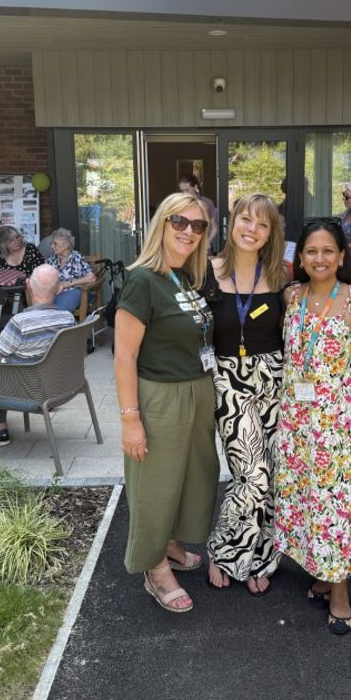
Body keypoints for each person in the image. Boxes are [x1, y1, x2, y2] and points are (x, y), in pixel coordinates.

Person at [274, 218, 351, 636]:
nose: (319, 259)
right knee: (308, 505)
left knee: (336, 508)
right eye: (311, 251)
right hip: (298, 425)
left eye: (327, 251)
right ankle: (320, 571)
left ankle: (340, 592)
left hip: (340, 427)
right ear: (299, 258)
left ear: (341, 257)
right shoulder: (291, 296)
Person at [114, 192, 217, 615]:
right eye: (180, 222)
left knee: (190, 478)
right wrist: (130, 419)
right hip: (160, 396)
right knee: (155, 485)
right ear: (162, 223)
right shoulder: (143, 280)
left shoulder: (186, 276)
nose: (189, 231)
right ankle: (154, 567)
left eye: (198, 225)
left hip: (197, 390)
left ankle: (170, 544)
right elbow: (124, 356)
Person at [202, 193, 287, 595]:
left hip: (273, 379)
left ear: (271, 233)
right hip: (226, 379)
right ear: (232, 222)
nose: (252, 229)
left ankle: (262, 557)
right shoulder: (205, 272)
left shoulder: (283, 277)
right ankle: (224, 549)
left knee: (271, 474)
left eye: (262, 224)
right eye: (246, 220)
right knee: (250, 474)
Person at [0, 264, 75, 445]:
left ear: (28, 284)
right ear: (60, 289)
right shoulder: (67, 319)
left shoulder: (20, 322)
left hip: (28, 391)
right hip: (60, 386)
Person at [44, 227, 97, 313]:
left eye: (55, 244)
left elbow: (91, 277)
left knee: (58, 311)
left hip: (72, 291)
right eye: (52, 243)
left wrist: (68, 283)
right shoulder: (51, 259)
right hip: (53, 292)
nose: (52, 246)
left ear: (66, 245)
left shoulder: (76, 257)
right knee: (41, 310)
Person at [178, 173, 218, 248]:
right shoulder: (179, 205)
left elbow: (214, 228)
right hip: (185, 244)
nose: (184, 193)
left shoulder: (207, 203)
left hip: (202, 245)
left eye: (187, 190)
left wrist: (208, 242)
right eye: (182, 191)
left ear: (195, 187)